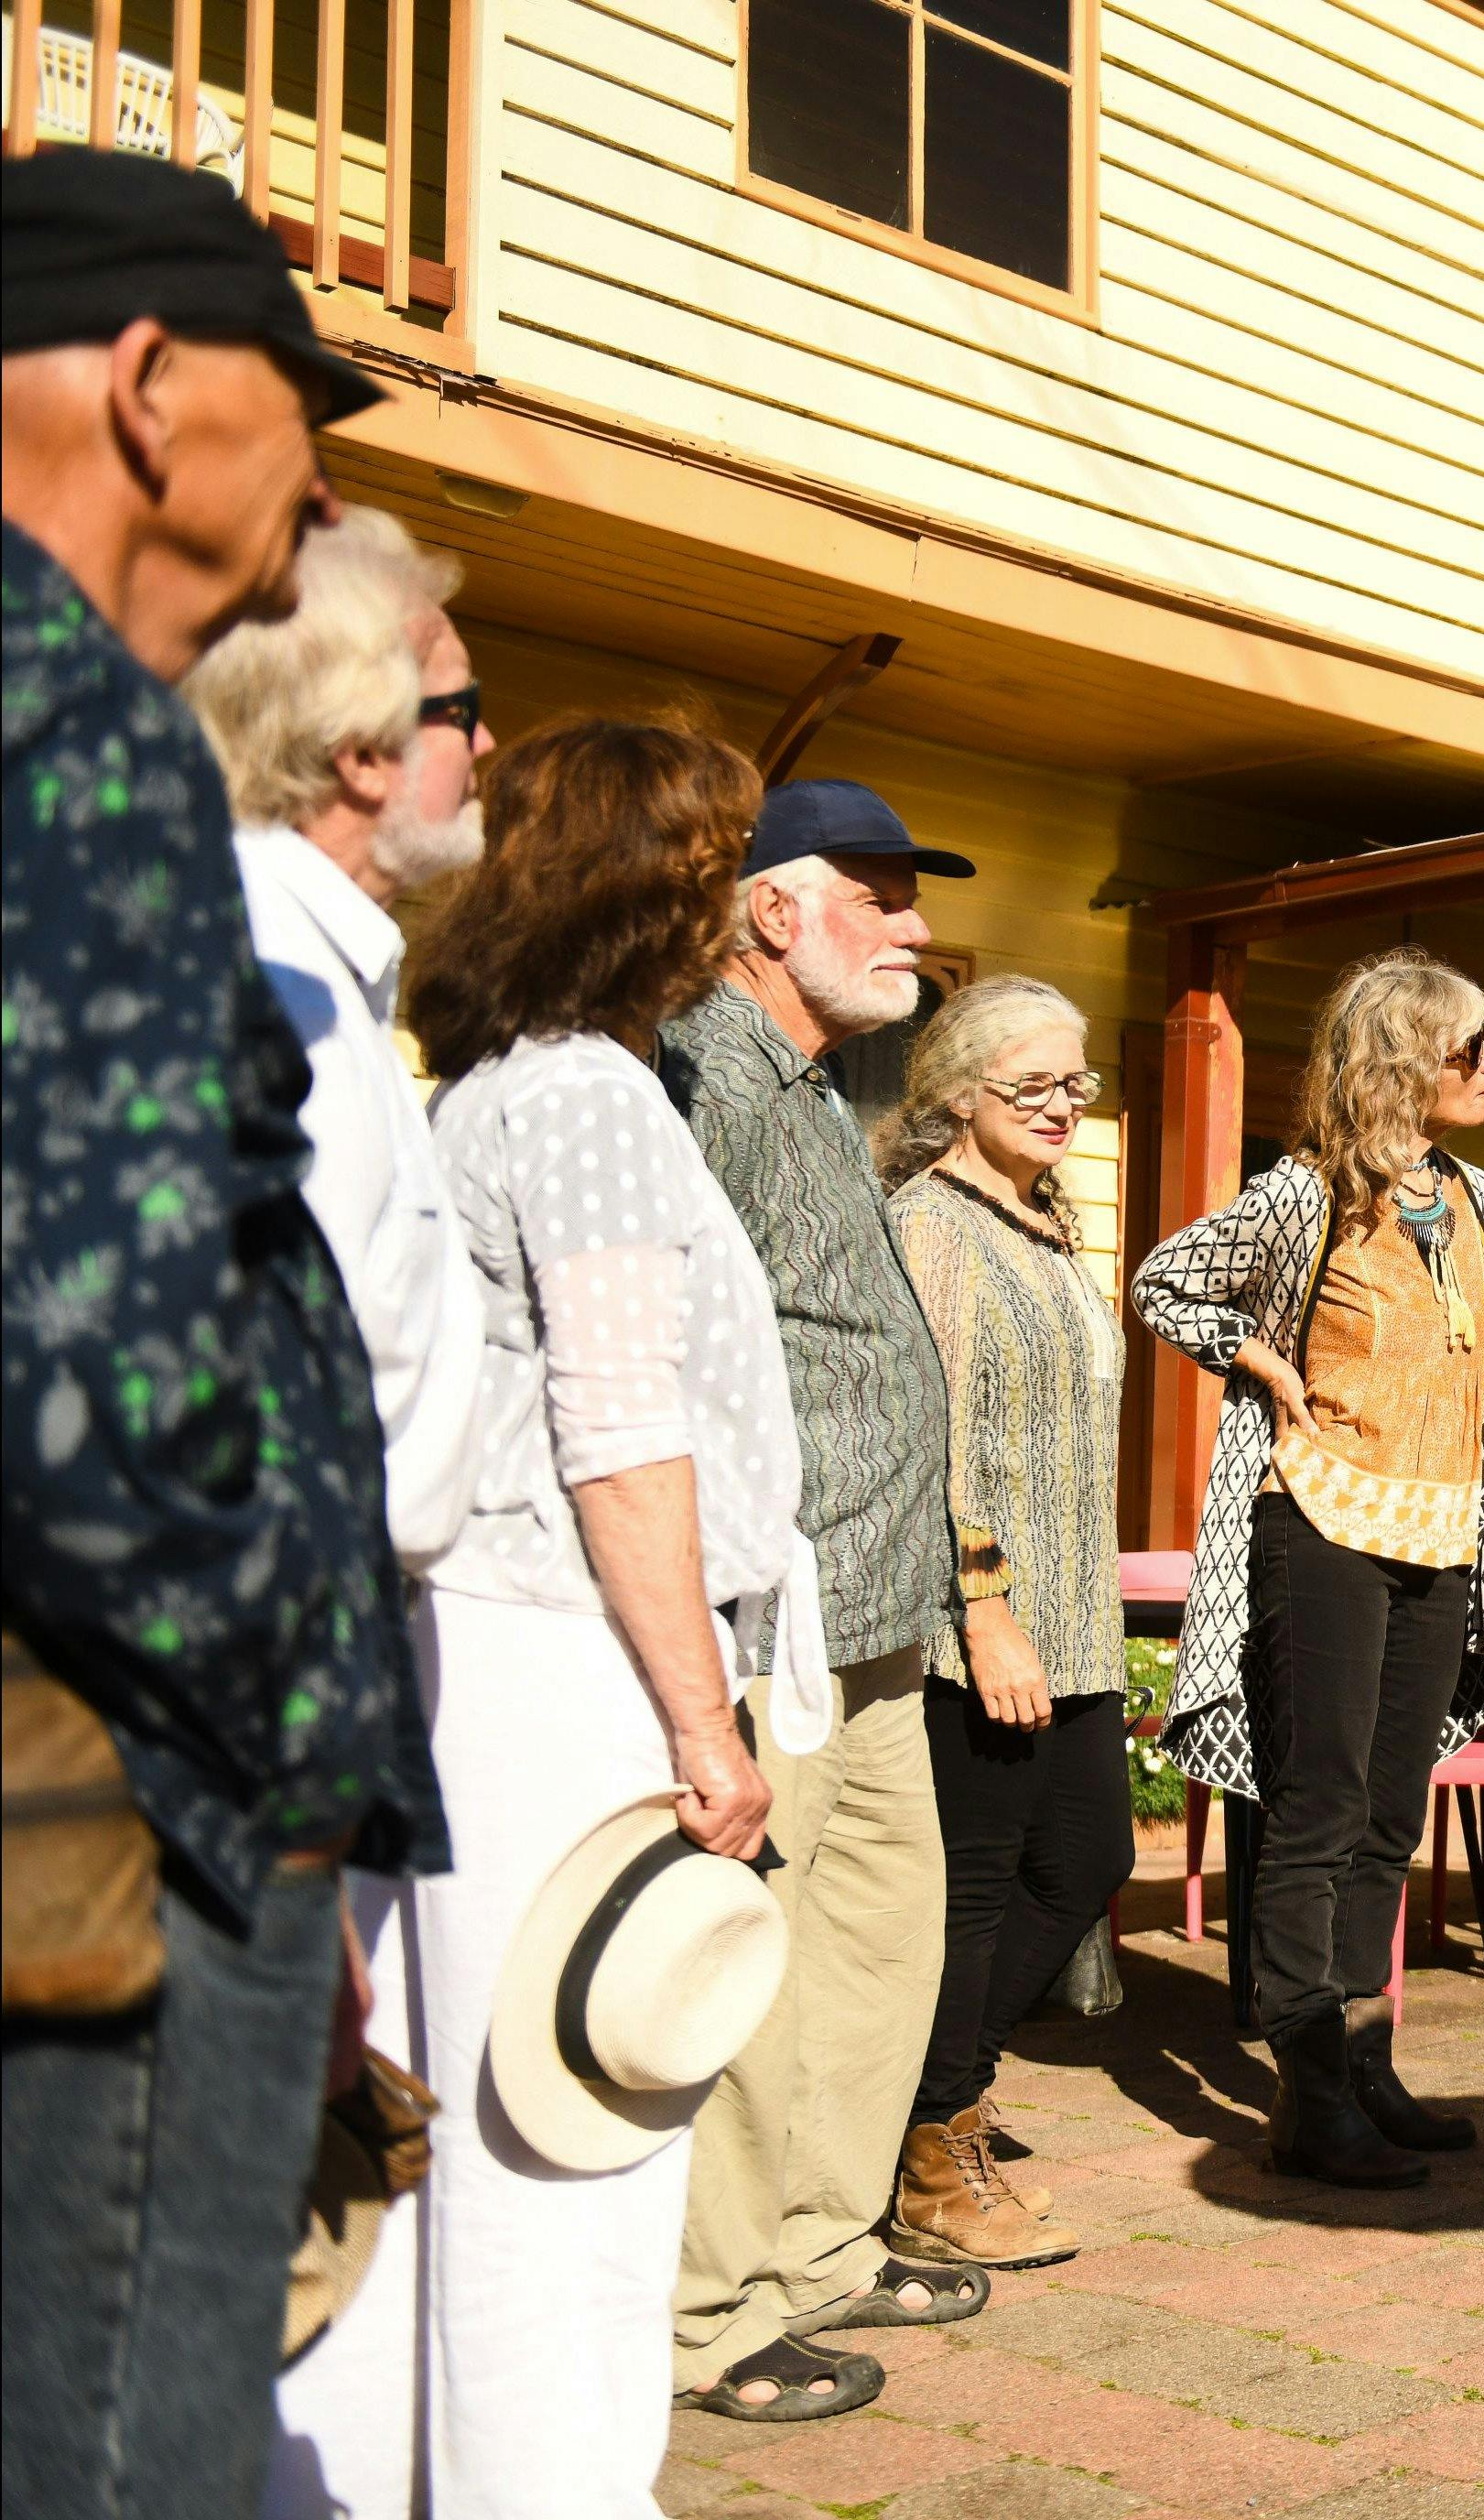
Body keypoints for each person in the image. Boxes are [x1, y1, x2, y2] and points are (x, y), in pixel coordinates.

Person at [2, 148, 435, 2520]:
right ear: (156, 391)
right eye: (307, 408)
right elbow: (95, 1375)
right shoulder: (71, 728)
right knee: (112, 2459)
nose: (325, 484)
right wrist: (296, 1765)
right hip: (123, 1820)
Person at [379, 714, 793, 2513]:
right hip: (572, 1669)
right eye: (719, 870)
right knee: (577, 2138)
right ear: (663, 889)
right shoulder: (593, 1102)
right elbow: (621, 1430)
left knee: (491, 2136)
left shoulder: (493, 1088)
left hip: (496, 1659)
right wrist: (706, 1717)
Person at [181, 505, 504, 2517]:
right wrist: (292, 1851)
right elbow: (242, 1445)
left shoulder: (335, 986)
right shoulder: (262, 997)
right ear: (368, 747)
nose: (493, 747)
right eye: (467, 705)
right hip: (265, 1733)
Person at [657, 777, 984, 2417]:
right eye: (878, 893)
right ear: (770, 913)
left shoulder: (814, 1082)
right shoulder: (692, 1069)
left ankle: (825, 2246)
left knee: (875, 1942)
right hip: (766, 1615)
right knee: (750, 1960)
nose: (913, 925)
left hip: (876, 1614)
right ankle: (709, 2315)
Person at [1132, 948, 1484, 2189]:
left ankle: (1368, 2065)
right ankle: (1309, 2098)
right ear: (1405, 1060)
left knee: (1390, 1807)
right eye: (1470, 1046)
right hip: (1316, 1522)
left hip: (1438, 1529)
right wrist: (1257, 1362)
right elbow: (1167, 1282)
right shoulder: (1303, 1195)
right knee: (1315, 1811)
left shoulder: (1477, 1197)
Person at [872, 976, 1131, 2267]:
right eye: (1032, 1084)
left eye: (1074, 1083)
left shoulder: (1046, 1225)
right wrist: (986, 1608)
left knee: (1084, 1862)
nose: (1061, 1107)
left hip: (1078, 1611)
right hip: (986, 1613)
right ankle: (929, 2149)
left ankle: (931, 2102)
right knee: (975, 1888)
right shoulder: (933, 1228)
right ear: (958, 1094)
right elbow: (936, 1434)